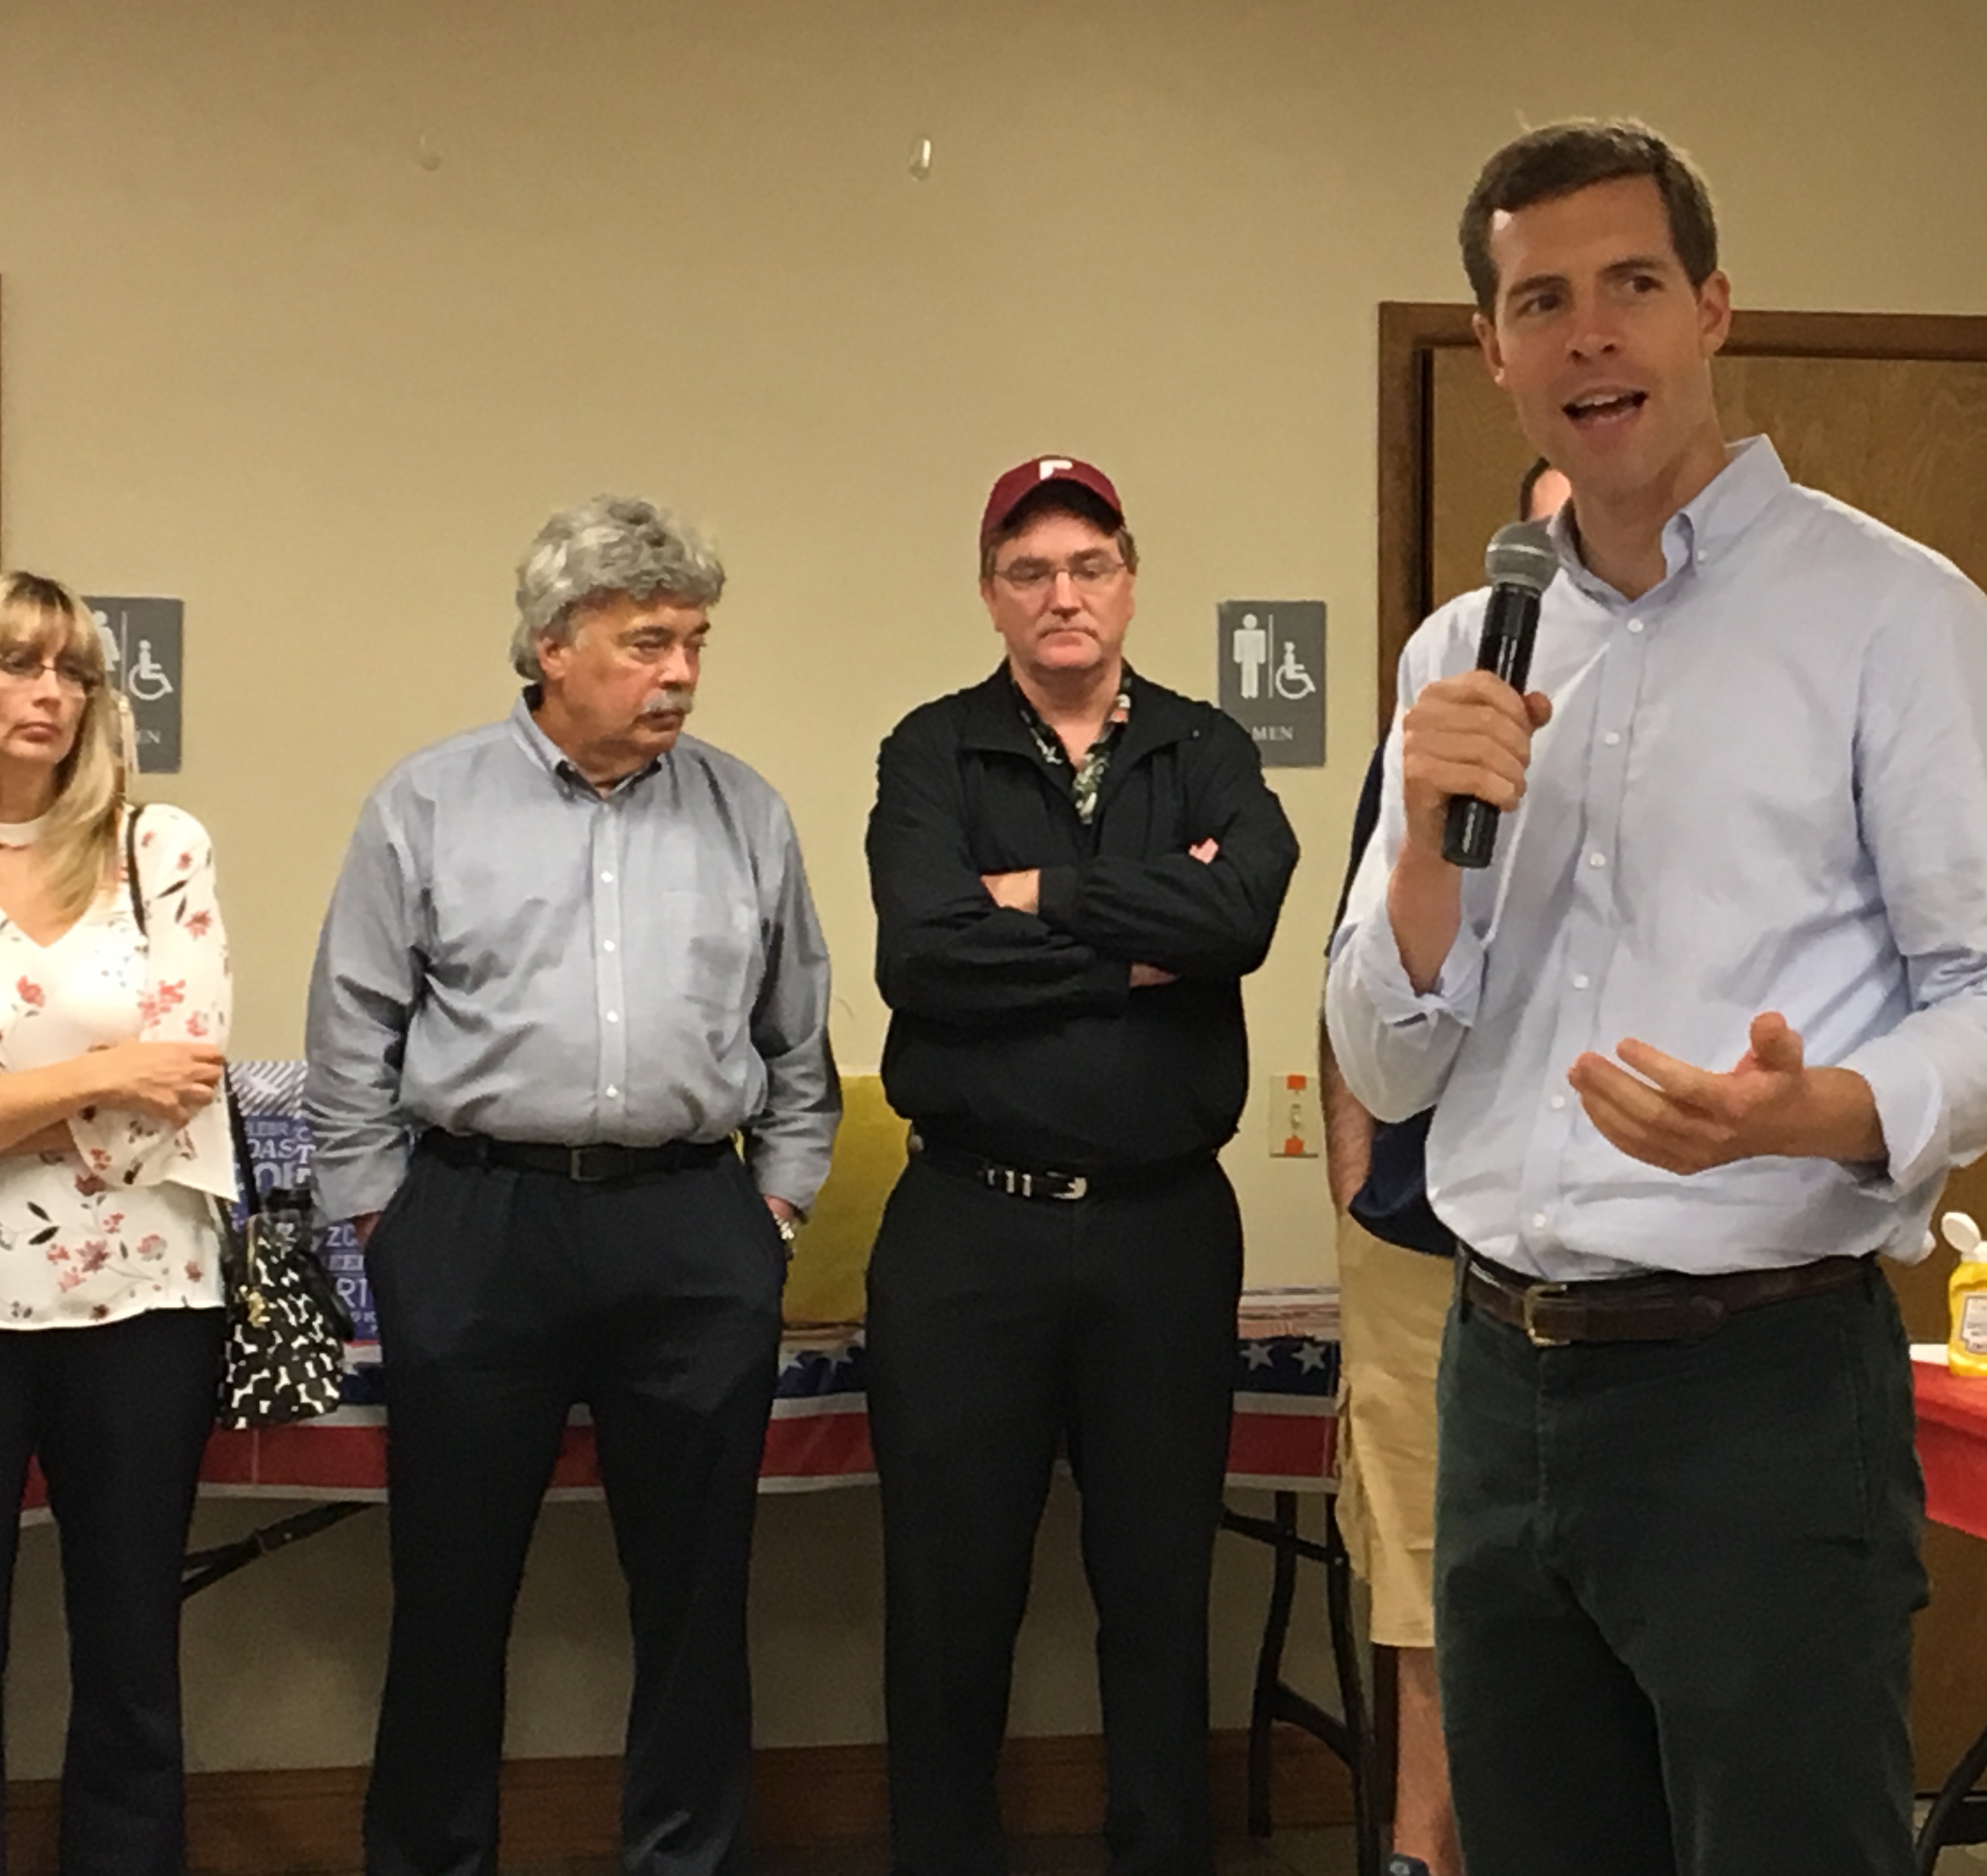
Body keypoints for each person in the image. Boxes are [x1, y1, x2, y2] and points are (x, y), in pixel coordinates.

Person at [1324, 122, 1987, 1875]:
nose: (1591, 336)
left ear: (1713, 309)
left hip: (1757, 1389)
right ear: (1497, 350)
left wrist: (1822, 1113)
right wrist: (1427, 859)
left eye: (1632, 287)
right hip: (1502, 1386)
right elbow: (1386, 1056)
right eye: (1541, 301)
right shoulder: (1463, 652)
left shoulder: (1896, 616)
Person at [306, 497, 838, 1876]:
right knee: (451, 1593)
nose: (680, 674)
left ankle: (690, 1860)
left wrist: (772, 1206)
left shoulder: (745, 811)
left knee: (695, 1593)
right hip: (478, 1223)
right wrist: (390, 1221)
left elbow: (798, 1032)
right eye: (646, 641)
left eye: (694, 643)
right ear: (551, 646)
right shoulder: (427, 804)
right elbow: (351, 1031)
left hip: (690, 1226)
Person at [864, 455, 1298, 1876]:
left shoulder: (1206, 745)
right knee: (948, 1596)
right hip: (966, 1234)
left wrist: (1042, 900)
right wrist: (1138, 949)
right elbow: (923, 953)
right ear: (993, 594)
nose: (1064, 596)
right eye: (1031, 571)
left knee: (1162, 1588)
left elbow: (1242, 916)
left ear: (1129, 577)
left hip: (1163, 1230)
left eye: (1089, 566)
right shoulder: (934, 752)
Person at [1317, 456, 1566, 1876]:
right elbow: (1360, 974)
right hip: (1427, 1237)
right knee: (1427, 1585)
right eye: (1540, 530)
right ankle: (1426, 1857)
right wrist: (1361, 1182)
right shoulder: (1443, 704)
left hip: (1623, 1253)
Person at [0, 571, 232, 1876]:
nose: (50, 695)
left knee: (133, 1636)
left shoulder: (160, 850)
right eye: (19, 666)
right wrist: (96, 1072)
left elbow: (183, 1085)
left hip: (144, 1298)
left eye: (73, 672)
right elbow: (131, 1086)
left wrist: (19, 1101)